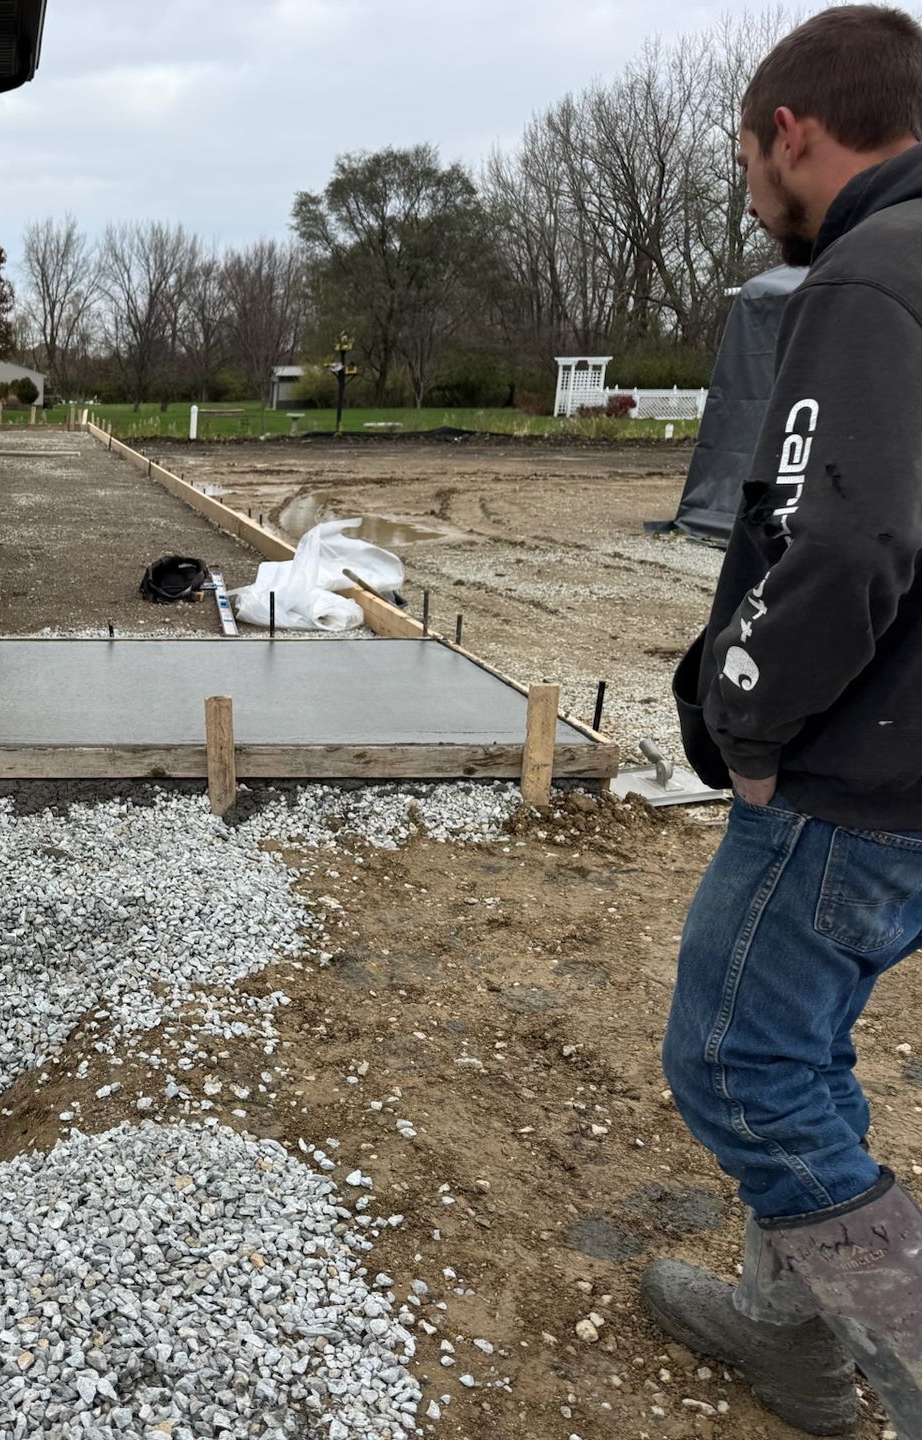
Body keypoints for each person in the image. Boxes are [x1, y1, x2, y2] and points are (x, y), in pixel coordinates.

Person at [647, 7, 922, 1434]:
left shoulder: (871, 274)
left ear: (791, 132)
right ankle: (783, 1327)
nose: (750, 187)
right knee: (803, 1042)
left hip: (857, 778)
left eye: (747, 156)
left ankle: (887, 1355)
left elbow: (841, 542)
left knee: (738, 1064)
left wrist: (743, 717)